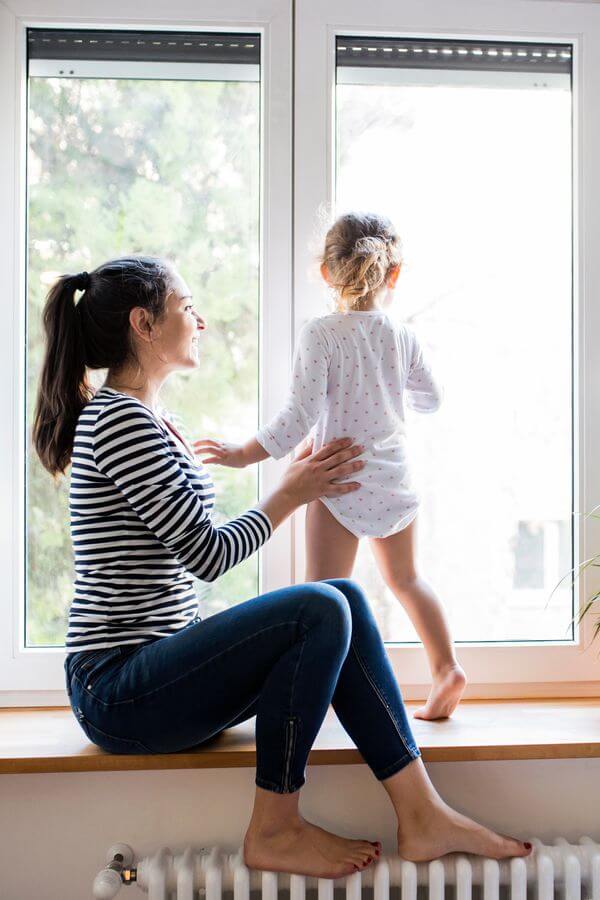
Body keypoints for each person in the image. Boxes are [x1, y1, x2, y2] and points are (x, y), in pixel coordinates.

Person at [33, 255, 531, 878]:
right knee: (320, 605)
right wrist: (290, 494)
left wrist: (293, 481)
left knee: (342, 596)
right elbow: (207, 554)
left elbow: (185, 541)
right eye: (187, 307)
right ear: (144, 324)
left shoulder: (154, 419)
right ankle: (275, 826)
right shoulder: (119, 421)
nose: (201, 320)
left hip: (154, 673)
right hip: (117, 691)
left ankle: (421, 812)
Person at [197, 213, 464, 721]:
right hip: (393, 476)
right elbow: (431, 398)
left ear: (325, 273)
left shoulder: (320, 335)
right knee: (407, 579)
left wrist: (240, 454)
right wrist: (387, 387)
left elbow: (296, 419)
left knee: (322, 597)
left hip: (336, 477)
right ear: (395, 274)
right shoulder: (401, 335)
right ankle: (447, 668)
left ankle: (322, 699)